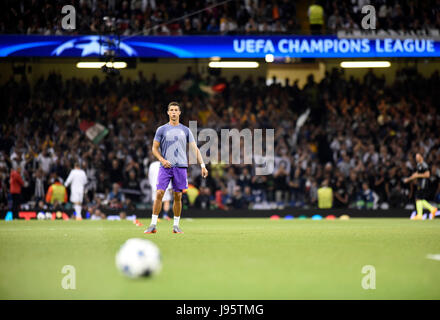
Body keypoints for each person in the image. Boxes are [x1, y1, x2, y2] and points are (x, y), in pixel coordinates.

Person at [144, 102, 208, 234]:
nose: (173, 112)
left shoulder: (185, 130)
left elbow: (194, 149)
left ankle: (176, 226)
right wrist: (162, 159)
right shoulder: (161, 129)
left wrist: (202, 165)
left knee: (178, 195)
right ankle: (153, 224)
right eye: (171, 110)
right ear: (168, 113)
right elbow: (154, 148)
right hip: (165, 167)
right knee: (159, 193)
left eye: (176, 110)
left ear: (179, 113)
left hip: (180, 167)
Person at [403, 153, 438, 220]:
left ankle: (421, 214)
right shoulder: (419, 165)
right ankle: (431, 210)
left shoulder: (424, 165)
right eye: (416, 157)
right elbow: (417, 173)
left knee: (418, 198)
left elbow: (427, 175)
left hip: (424, 184)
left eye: (418, 157)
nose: (416, 159)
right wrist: (409, 178)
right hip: (420, 183)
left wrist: (418, 176)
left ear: (421, 157)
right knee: (419, 198)